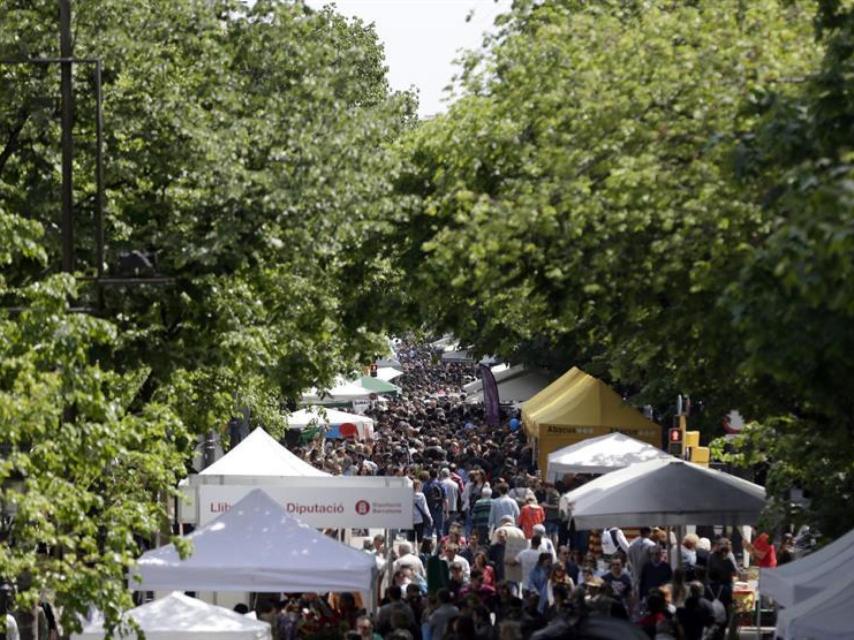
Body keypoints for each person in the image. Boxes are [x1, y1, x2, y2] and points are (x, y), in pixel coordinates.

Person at [707, 537, 738, 613]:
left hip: (713, 585)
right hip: (726, 585)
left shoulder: (711, 555)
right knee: (727, 606)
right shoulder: (729, 556)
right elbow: (735, 571)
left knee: (715, 606)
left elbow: (708, 569)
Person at [628, 527, 657, 594]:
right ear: (648, 533)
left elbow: (629, 559)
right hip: (648, 576)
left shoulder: (631, 544)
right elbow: (654, 560)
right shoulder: (651, 544)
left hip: (635, 575)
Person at [423, 469, 448, 539]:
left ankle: (428, 547)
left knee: (429, 531)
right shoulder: (441, 485)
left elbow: (423, 499)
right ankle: (439, 548)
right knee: (439, 530)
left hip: (429, 510)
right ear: (437, 475)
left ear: (429, 475)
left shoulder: (426, 485)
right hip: (439, 510)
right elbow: (445, 499)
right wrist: (447, 512)